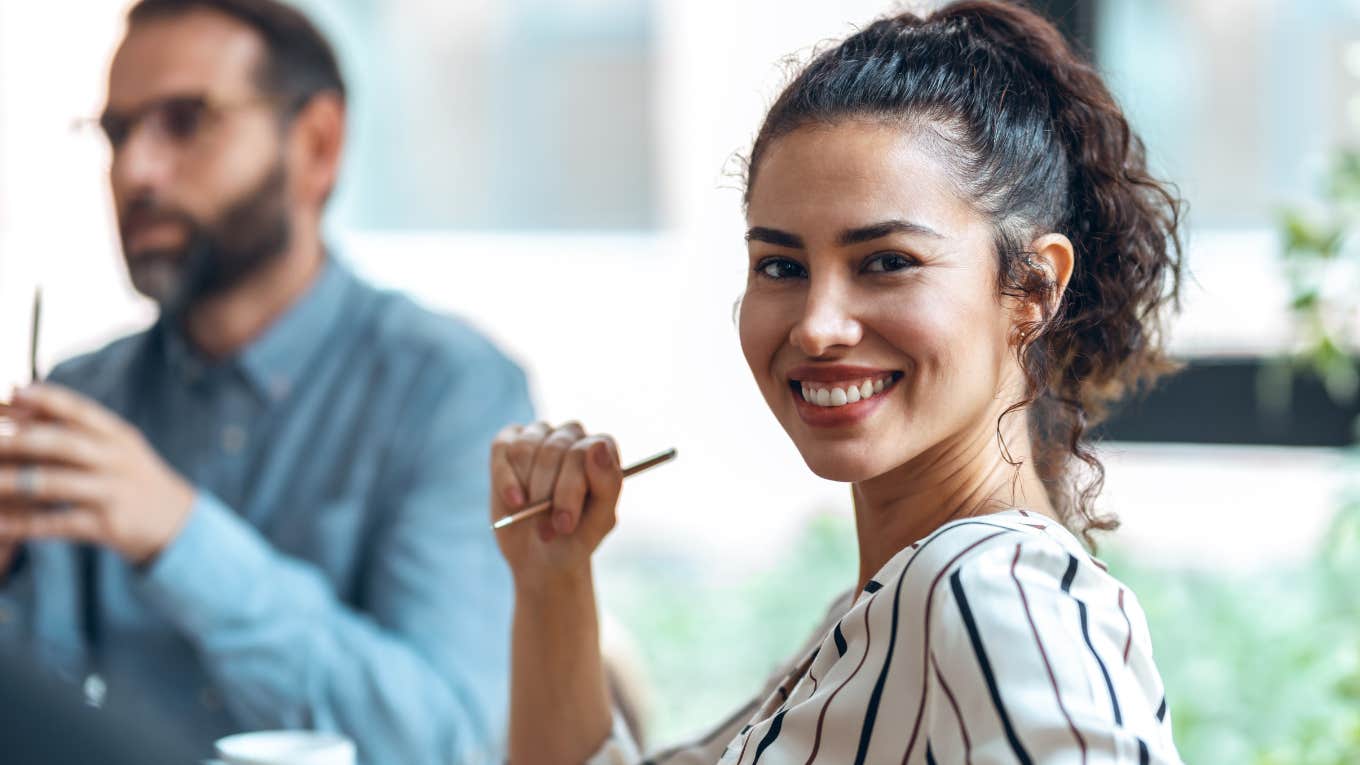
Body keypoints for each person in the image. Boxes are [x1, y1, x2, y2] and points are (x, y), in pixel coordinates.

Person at [491, 2, 1185, 763]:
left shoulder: (998, 593)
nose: (817, 326)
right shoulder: (877, 616)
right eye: (781, 266)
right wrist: (552, 573)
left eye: (886, 261)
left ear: (1033, 289)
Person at [0, 1, 531, 763]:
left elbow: (444, 741)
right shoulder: (81, 399)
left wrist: (179, 536)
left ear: (318, 144)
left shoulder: (453, 392)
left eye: (185, 120)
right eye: (118, 134)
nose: (135, 171)